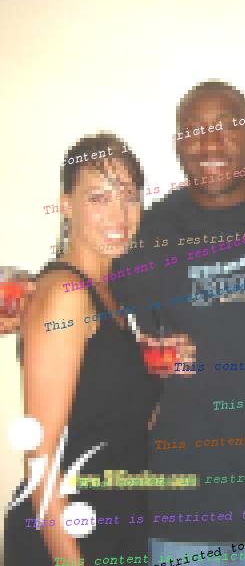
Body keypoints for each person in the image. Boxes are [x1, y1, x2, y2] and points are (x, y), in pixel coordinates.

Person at [110, 80, 245, 565]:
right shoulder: (149, 234)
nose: (209, 143)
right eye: (193, 129)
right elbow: (93, 318)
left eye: (226, 126)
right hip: (182, 510)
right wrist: (39, 300)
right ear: (177, 144)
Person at [4, 133, 194, 565]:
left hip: (114, 525)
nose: (119, 215)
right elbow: (40, 457)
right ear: (66, 205)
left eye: (129, 197)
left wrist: (149, 369)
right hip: (66, 536)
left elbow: (110, 422)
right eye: (99, 198)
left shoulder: (112, 296)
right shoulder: (67, 293)